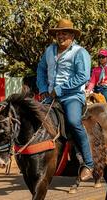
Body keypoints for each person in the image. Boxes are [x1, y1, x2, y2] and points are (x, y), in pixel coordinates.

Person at [36, 18, 94, 181]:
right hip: (50, 97)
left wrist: (59, 89)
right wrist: (42, 89)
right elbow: (41, 69)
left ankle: (88, 164)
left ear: (72, 36)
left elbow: (83, 76)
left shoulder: (80, 52)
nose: (61, 36)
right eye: (58, 33)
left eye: (65, 33)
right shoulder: (49, 50)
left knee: (74, 122)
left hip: (72, 96)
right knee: (36, 120)